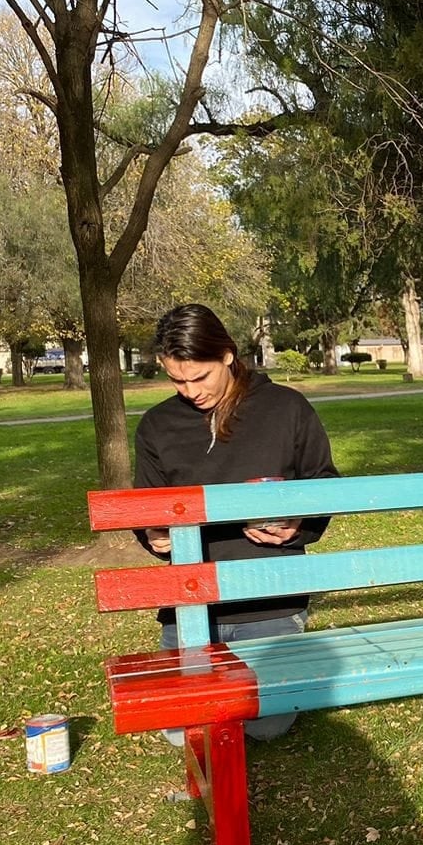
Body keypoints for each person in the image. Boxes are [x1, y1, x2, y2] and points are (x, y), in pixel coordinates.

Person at [135, 303, 339, 742]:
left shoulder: (286, 408)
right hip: (190, 602)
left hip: (269, 600)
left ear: (227, 355)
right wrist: (153, 535)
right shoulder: (157, 426)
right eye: (177, 380)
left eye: (200, 377)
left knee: (268, 724)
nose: (190, 391)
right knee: (180, 729)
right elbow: (145, 508)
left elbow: (324, 482)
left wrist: (297, 523)